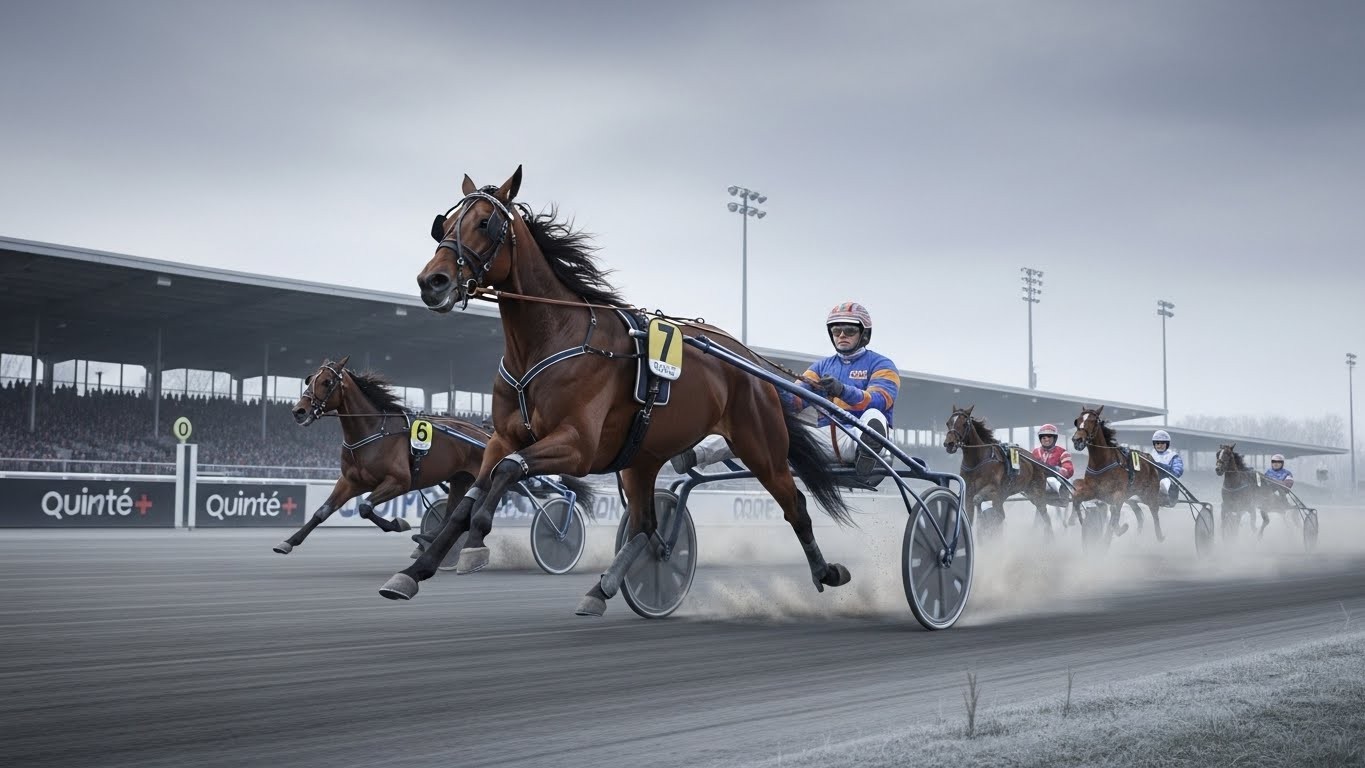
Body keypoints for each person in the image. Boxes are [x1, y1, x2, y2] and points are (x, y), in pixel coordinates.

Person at [671, 301, 900, 478]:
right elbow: (793, 402)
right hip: (822, 442)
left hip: (857, 439)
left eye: (849, 331)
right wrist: (764, 388)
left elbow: (879, 400)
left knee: (873, 416)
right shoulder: (821, 367)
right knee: (750, 426)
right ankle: (694, 454)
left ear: (864, 335)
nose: (841, 336)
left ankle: (866, 454)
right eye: (836, 330)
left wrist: (842, 390)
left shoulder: (882, 365)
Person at [1031, 424, 1074, 500]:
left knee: (1052, 480)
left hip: (1056, 482)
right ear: (1040, 439)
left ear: (1055, 438)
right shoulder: (1035, 452)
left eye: (1049, 437)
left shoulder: (1063, 452)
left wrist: (1057, 469)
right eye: (1044, 437)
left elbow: (1069, 470)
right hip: (1037, 482)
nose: (1046, 439)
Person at [1149, 430, 1184, 506]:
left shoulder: (1174, 456)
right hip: (1151, 482)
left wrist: (1160, 466)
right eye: (1157, 443)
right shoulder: (1149, 455)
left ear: (1167, 444)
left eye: (1163, 443)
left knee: (1164, 481)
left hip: (1170, 486)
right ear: (1154, 444)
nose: (1160, 445)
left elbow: (1177, 472)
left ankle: (1164, 497)